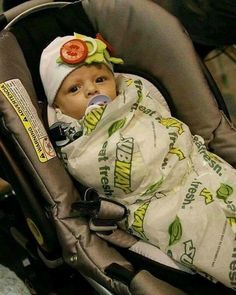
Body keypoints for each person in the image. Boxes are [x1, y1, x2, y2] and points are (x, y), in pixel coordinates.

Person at [40, 33, 236, 291]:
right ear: (58, 105)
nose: (91, 90)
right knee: (209, 237)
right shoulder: (74, 142)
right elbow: (93, 170)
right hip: (152, 202)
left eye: (100, 79)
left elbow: (170, 126)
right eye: (74, 89)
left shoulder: (136, 96)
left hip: (193, 167)